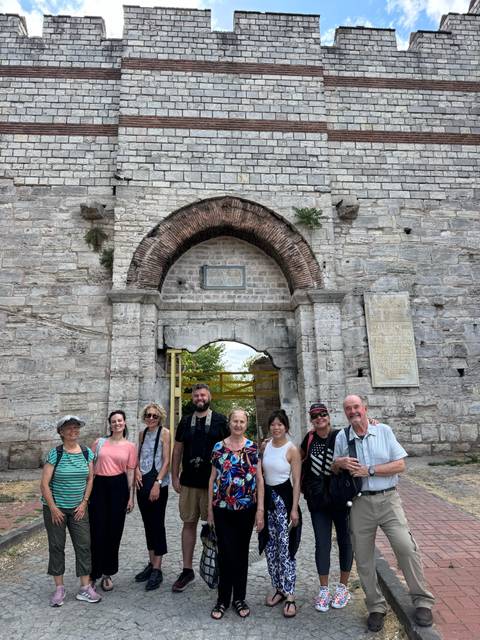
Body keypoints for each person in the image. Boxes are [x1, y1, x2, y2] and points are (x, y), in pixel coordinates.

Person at [334, 394, 435, 632]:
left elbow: (400, 464)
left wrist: (370, 470)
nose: (352, 411)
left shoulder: (384, 431)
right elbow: (334, 466)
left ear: (365, 408)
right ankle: (376, 607)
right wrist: (339, 464)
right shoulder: (342, 436)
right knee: (365, 558)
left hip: (388, 499)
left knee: (405, 547)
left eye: (356, 406)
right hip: (359, 503)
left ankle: (422, 601)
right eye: (348, 408)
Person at [207, 408, 264, 620]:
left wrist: (260, 511)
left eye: (242, 421)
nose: (238, 425)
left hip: (246, 510)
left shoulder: (252, 448)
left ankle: (239, 597)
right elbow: (212, 478)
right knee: (225, 553)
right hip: (222, 509)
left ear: (245, 424)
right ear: (229, 423)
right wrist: (209, 510)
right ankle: (222, 599)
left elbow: (259, 480)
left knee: (240, 554)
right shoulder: (218, 448)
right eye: (235, 421)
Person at [171, 383, 228, 592]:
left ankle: (221, 568)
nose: (199, 398)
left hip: (214, 483)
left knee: (217, 526)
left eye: (203, 395)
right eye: (196, 395)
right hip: (189, 482)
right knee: (188, 523)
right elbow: (177, 450)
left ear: (209, 396)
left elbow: (229, 447)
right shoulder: (185, 421)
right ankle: (187, 570)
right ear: (192, 398)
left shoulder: (221, 420)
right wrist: (174, 476)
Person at [40, 415, 101, 606]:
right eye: (69, 428)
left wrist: (84, 503)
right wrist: (53, 508)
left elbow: (90, 479)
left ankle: (84, 588)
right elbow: (44, 484)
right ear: (61, 432)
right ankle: (59, 588)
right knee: (57, 546)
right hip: (55, 509)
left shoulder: (86, 453)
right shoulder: (55, 454)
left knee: (83, 545)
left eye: (76, 427)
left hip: (78, 509)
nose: (73, 430)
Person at [300, 402, 353, 613]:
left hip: (340, 497)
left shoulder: (341, 435)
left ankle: (343, 587)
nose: (319, 418)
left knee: (344, 540)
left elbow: (361, 433)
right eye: (315, 416)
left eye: (323, 414)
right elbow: (298, 457)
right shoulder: (309, 438)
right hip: (318, 500)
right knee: (322, 543)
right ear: (311, 420)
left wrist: (373, 423)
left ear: (328, 416)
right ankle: (324, 589)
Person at [89, 409, 137, 592]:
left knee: (114, 531)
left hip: (118, 487)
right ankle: (94, 573)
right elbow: (90, 467)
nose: (117, 423)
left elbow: (130, 472)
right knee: (96, 531)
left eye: (120, 420)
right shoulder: (99, 443)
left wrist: (130, 498)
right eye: (114, 421)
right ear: (110, 424)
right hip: (99, 486)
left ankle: (108, 572)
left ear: (124, 423)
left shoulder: (130, 447)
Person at [260, 409, 301, 618]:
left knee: (286, 549)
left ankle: (290, 594)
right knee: (270, 547)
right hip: (267, 503)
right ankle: (278, 588)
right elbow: (261, 476)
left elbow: (296, 482)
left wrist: (294, 508)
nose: (276, 428)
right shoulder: (265, 446)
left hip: (284, 503)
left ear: (286, 426)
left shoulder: (292, 450)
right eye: (273, 424)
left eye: (280, 424)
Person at [134, 403, 170, 591]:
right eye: (148, 415)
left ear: (160, 417)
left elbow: (167, 461)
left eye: (154, 416)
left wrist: (158, 482)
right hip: (142, 481)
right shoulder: (141, 434)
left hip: (157, 482)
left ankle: (157, 567)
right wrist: (137, 471)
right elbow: (138, 457)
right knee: (148, 523)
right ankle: (150, 562)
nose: (151, 418)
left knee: (157, 523)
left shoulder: (164, 433)